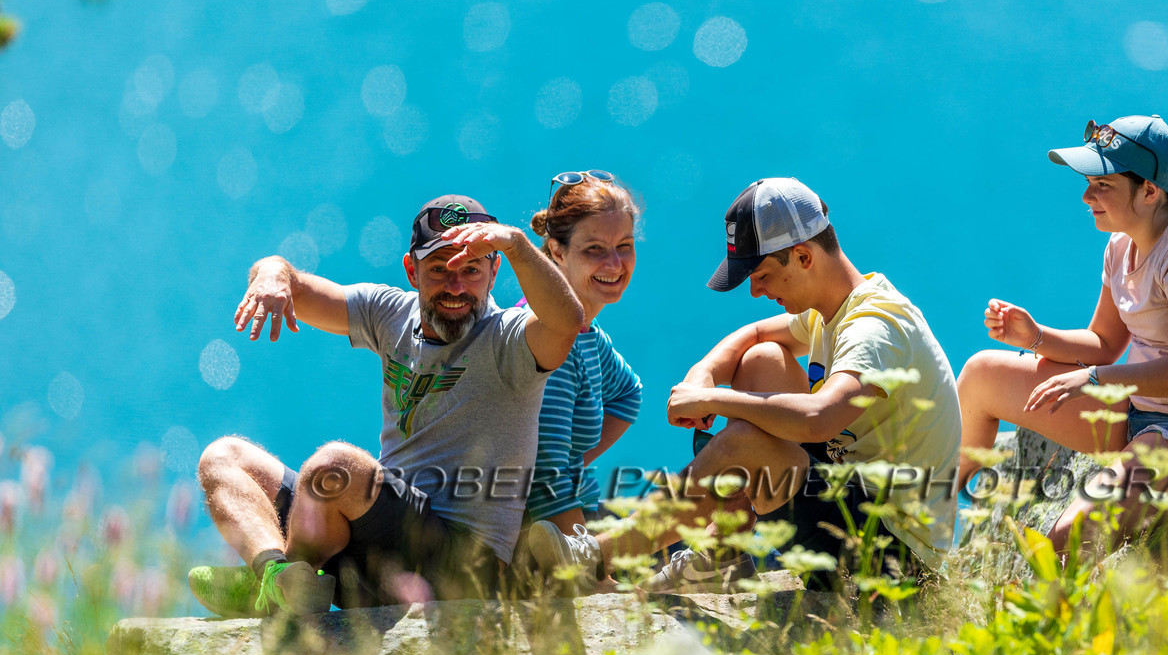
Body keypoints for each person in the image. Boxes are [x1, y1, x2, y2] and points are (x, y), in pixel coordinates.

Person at [186, 196, 584, 616]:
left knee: (333, 468)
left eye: (471, 270)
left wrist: (518, 246)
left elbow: (565, 321)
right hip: (375, 551)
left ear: (493, 272)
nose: (456, 286)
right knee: (223, 457)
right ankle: (276, 577)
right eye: (439, 270)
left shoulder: (510, 340)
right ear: (412, 271)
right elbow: (296, 286)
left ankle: (286, 592)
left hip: (463, 565)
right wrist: (270, 273)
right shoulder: (391, 313)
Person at [592, 177, 963, 594]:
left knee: (744, 440)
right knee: (763, 358)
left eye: (763, 274)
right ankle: (720, 552)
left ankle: (600, 556)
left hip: (895, 561)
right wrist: (703, 374)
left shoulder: (874, 328)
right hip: (849, 509)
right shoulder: (835, 307)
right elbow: (751, 336)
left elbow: (822, 419)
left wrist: (717, 399)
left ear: (803, 256)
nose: (755, 290)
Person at [955, 115, 1168, 555]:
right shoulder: (1122, 244)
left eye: (1102, 185)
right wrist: (1035, 335)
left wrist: (1094, 380)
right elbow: (1104, 342)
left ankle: (1057, 617)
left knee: (1069, 538)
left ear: (1149, 190)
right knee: (980, 375)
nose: (1086, 196)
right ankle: (931, 519)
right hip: (1141, 409)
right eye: (1088, 182)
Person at [511, 171, 644, 597]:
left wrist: (575, 458)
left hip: (571, 515)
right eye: (594, 250)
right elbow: (545, 476)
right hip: (534, 538)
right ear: (556, 251)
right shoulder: (549, 340)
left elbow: (628, 393)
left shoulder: (587, 335)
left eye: (624, 247)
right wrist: (596, 578)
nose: (614, 264)